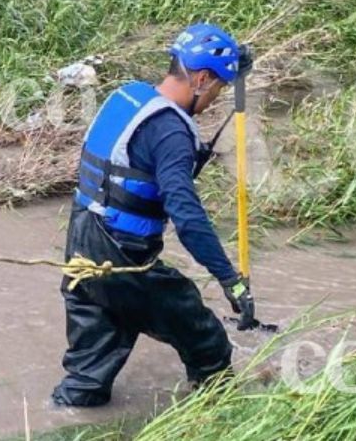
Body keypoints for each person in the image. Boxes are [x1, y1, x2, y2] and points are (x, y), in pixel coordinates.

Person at [51, 22, 255, 407]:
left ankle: (64, 421)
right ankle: (224, 414)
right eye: (218, 88)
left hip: (81, 245)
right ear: (201, 78)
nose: (215, 98)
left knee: (88, 374)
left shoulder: (126, 97)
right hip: (123, 258)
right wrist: (230, 280)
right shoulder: (171, 133)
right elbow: (188, 218)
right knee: (205, 337)